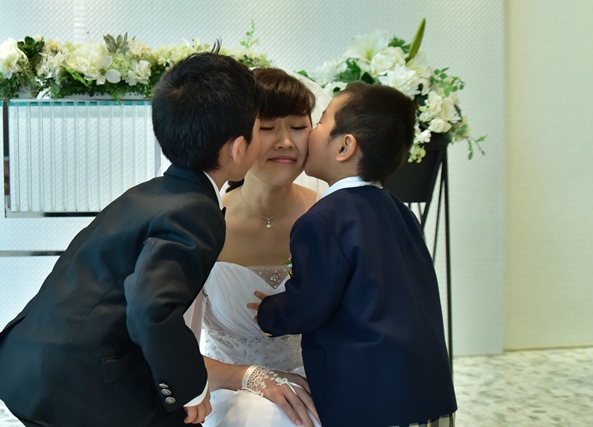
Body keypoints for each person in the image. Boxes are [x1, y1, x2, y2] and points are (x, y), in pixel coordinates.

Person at [0, 49, 262, 427]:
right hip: (78, 381)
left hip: (29, 362)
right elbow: (150, 308)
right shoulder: (196, 210)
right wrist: (191, 388)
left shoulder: (149, 193)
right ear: (238, 148)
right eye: (259, 130)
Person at [251, 82, 458, 426]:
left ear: (345, 146)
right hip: (425, 386)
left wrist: (270, 313)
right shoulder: (399, 210)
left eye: (320, 122)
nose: (310, 132)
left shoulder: (323, 218)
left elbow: (310, 302)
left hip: (368, 393)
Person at [187, 67, 326, 427]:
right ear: (237, 138)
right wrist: (253, 378)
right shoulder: (202, 223)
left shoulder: (330, 216)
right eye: (267, 128)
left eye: (298, 126)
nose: (286, 142)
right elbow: (170, 351)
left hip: (318, 384)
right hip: (228, 391)